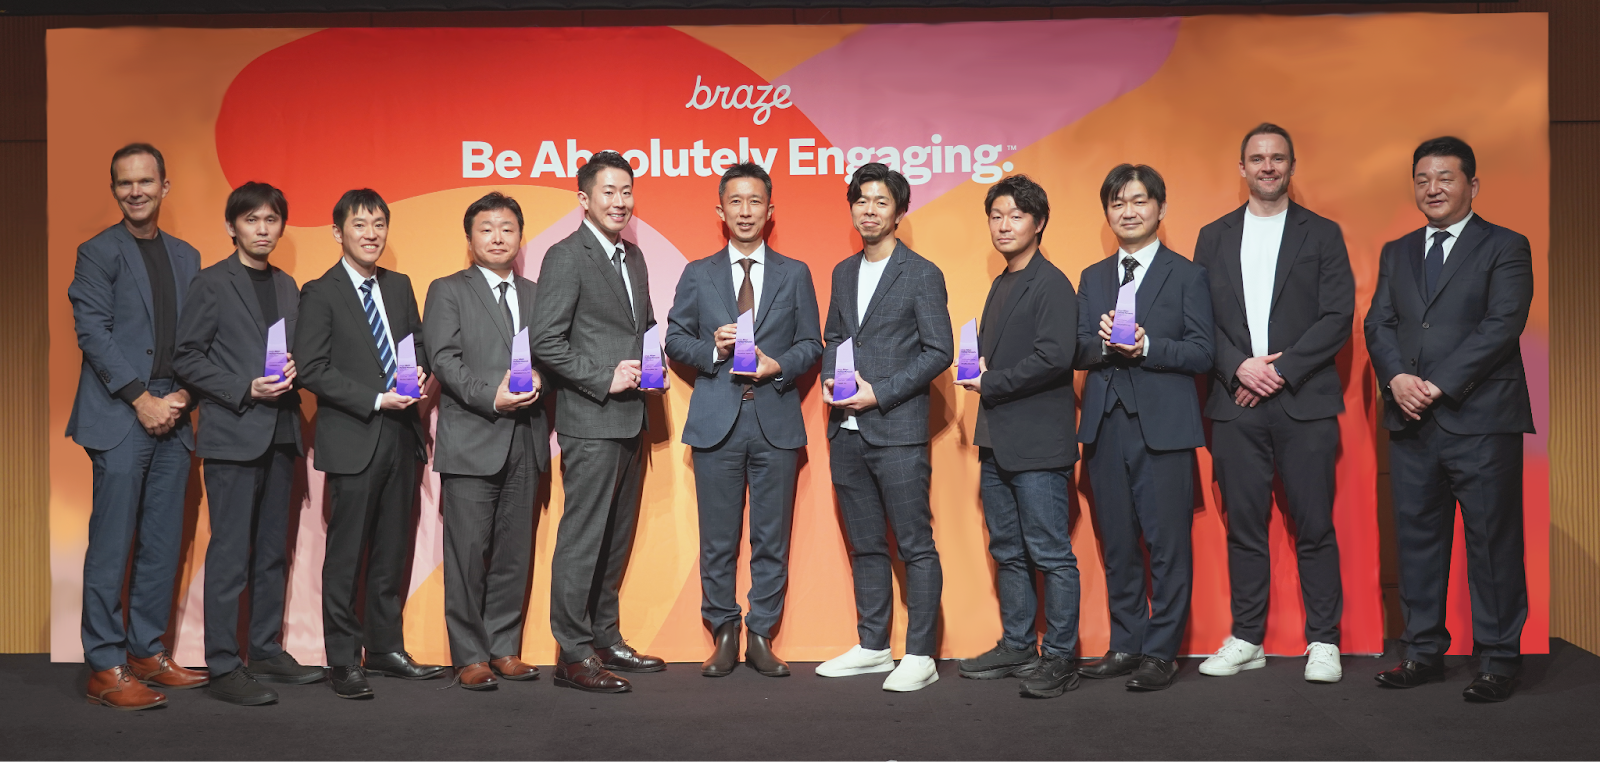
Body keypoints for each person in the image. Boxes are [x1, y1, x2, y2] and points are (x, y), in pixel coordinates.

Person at [1364, 136, 1534, 703]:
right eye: (1422, 179)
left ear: (1472, 185)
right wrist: (1396, 378)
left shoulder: (1505, 245)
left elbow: (1502, 324)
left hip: (1480, 420)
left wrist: (1436, 385)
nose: (1432, 188)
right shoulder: (1397, 251)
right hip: (1411, 420)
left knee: (1492, 543)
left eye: (1444, 177)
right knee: (1418, 541)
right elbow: (1378, 323)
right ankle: (1422, 652)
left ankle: (1498, 659)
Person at [1193, 124, 1355, 684]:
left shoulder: (1322, 234)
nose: (1268, 166)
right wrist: (1239, 366)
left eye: (1277, 158)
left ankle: (1324, 641)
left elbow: (1337, 315)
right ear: (1242, 168)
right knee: (1244, 527)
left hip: (1304, 403)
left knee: (1315, 526)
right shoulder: (1213, 237)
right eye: (1257, 158)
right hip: (1235, 402)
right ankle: (1247, 638)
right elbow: (1200, 320)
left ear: (1291, 166)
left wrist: (1278, 371)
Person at [665, 163, 823, 678]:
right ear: (720, 210)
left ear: (770, 210)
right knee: (718, 539)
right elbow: (673, 339)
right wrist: (712, 348)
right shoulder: (698, 272)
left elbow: (812, 344)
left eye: (755, 201)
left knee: (771, 539)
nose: (746, 211)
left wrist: (780, 365)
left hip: (775, 419)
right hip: (717, 422)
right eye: (736, 201)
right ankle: (723, 633)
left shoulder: (795, 273)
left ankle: (761, 635)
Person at [173, 182, 326, 705]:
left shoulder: (287, 285)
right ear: (232, 226)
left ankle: (264, 650)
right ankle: (222, 664)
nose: (262, 229)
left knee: (272, 554)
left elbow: (294, 351)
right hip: (233, 433)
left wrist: (299, 367)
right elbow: (186, 356)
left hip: (282, 432)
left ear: (282, 226)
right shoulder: (211, 282)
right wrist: (244, 387)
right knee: (231, 554)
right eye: (251, 220)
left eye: (271, 220)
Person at [68, 143, 208, 710]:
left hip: (174, 409)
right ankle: (105, 666)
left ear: (164, 186)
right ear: (114, 190)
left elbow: (197, 337)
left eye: (145, 181)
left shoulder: (187, 256)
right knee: (112, 544)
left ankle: (146, 653)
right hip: (121, 413)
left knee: (161, 543)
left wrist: (182, 395)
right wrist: (140, 399)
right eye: (124, 183)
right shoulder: (97, 252)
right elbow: (93, 333)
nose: (135, 191)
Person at [295, 188, 444, 699]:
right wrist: (377, 398)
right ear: (338, 232)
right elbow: (311, 368)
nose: (371, 234)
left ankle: (383, 648)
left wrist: (420, 370)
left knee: (391, 549)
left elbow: (417, 343)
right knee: (346, 555)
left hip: (402, 438)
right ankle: (343, 659)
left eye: (379, 224)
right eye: (360, 225)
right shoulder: (320, 292)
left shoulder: (399, 286)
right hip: (354, 435)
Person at [528, 150, 667, 693]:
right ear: (584, 199)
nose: (620, 201)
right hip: (590, 419)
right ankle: (572, 653)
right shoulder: (566, 256)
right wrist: (603, 377)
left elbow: (643, 326)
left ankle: (605, 638)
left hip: (633, 418)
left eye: (626, 191)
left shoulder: (634, 257)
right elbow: (546, 341)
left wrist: (653, 365)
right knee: (583, 539)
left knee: (614, 538)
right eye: (608, 191)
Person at [1074, 164, 1213, 692]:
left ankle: (1161, 652)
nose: (1127, 212)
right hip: (1105, 426)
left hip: (1164, 428)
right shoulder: (1092, 277)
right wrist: (1102, 342)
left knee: (1167, 544)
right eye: (1117, 203)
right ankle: (1126, 643)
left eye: (1138, 201)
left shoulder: (1187, 274)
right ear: (1106, 213)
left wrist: (1149, 345)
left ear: (1160, 208)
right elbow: (1077, 348)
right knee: (1118, 544)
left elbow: (1203, 353)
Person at [816, 163, 953, 692]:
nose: (869, 210)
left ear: (899, 211)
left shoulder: (921, 273)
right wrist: (831, 379)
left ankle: (921, 654)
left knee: (915, 544)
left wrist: (882, 392)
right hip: (845, 431)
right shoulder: (843, 271)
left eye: (881, 202)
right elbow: (833, 336)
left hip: (897, 430)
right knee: (866, 545)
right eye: (861, 201)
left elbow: (939, 350)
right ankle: (873, 646)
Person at [952, 175, 1082, 699]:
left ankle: (1062, 656)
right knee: (1007, 549)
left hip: (1038, 444)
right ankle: (1018, 644)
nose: (1004, 225)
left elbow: (1055, 358)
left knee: (1051, 553)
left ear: (1039, 222)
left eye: (1016, 215)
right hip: (998, 440)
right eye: (996, 215)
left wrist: (991, 381)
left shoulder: (1051, 283)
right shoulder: (1002, 282)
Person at [423, 192, 550, 691]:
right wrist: (490, 396)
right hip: (473, 437)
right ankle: (469, 655)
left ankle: (503, 648)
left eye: (507, 229)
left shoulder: (538, 294)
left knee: (514, 554)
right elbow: (443, 358)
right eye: (486, 229)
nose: (498, 238)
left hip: (527, 439)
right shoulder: (448, 290)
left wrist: (541, 377)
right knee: (468, 554)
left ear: (520, 237)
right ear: (470, 237)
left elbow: (553, 353)